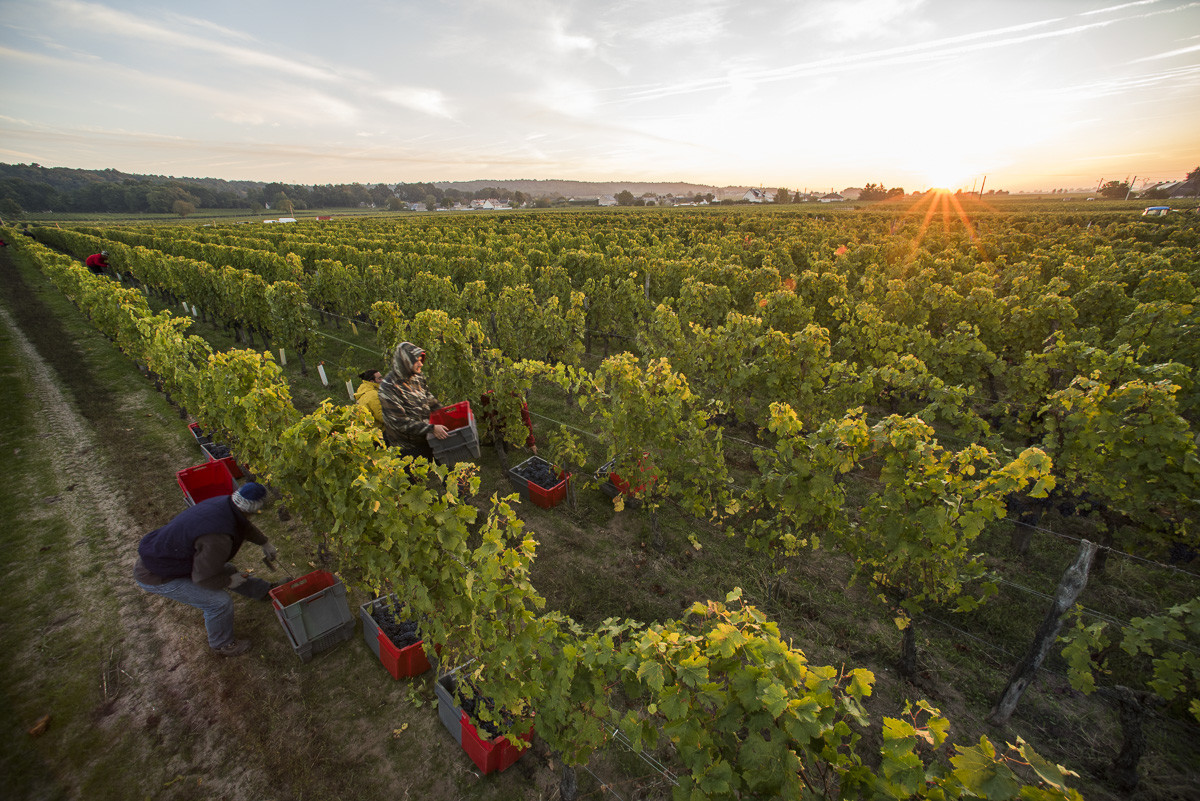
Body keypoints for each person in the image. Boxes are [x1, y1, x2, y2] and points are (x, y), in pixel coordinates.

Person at [133, 483, 278, 657]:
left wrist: (264, 542)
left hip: (167, 557)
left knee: (229, 569)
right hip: (156, 574)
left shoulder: (226, 503)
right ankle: (222, 644)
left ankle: (263, 591)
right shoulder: (218, 538)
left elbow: (243, 525)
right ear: (253, 508)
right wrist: (229, 581)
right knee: (219, 603)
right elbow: (203, 578)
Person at [377, 341, 449, 458]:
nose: (421, 364)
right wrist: (431, 428)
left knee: (446, 469)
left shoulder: (417, 377)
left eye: (421, 360)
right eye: (417, 361)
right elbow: (399, 422)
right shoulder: (388, 387)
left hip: (426, 437)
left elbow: (428, 397)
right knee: (415, 475)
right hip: (407, 447)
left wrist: (443, 413)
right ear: (405, 361)